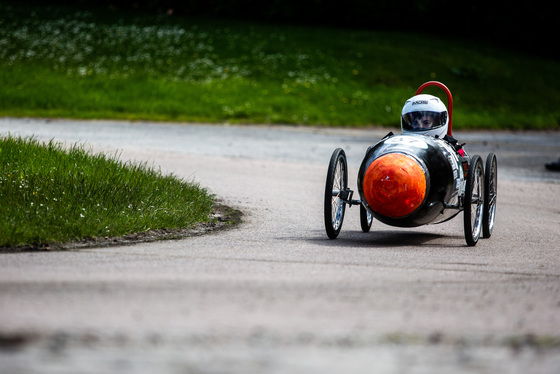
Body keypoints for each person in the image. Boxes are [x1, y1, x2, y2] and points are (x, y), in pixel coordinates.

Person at [400, 93, 467, 157]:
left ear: (436, 122)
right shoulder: (404, 144)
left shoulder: (451, 145)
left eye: (426, 123)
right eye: (415, 123)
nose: (420, 126)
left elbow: (463, 156)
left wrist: (460, 154)